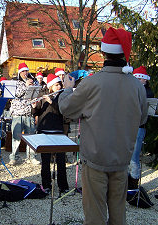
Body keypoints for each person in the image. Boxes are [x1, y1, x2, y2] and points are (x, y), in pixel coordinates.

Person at [58, 27, 148, 225]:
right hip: (122, 159)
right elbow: (142, 120)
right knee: (118, 214)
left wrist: (66, 90)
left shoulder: (92, 83)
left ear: (104, 52)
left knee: (95, 215)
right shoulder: (137, 86)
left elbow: (67, 109)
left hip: (96, 160)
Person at [32, 74, 68, 196]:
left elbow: (61, 111)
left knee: (61, 160)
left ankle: (63, 186)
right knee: (45, 160)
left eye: (59, 85)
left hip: (58, 130)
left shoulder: (62, 97)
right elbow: (36, 112)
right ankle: (46, 185)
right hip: (44, 130)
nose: (59, 87)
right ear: (51, 86)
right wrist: (34, 106)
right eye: (56, 85)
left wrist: (51, 101)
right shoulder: (42, 95)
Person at [9, 63, 40, 165]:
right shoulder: (15, 82)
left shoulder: (33, 80)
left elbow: (37, 92)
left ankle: (31, 157)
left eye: (26, 71)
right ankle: (14, 157)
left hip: (29, 112)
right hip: (18, 112)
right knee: (16, 136)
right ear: (19, 73)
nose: (25, 73)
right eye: (22, 71)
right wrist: (26, 86)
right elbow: (16, 94)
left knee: (31, 136)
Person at [128, 66, 154, 189]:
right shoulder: (131, 90)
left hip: (139, 126)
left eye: (140, 79)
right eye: (136, 78)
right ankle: (127, 183)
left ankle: (133, 185)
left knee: (134, 157)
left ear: (145, 80)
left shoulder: (147, 92)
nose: (138, 81)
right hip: (128, 126)